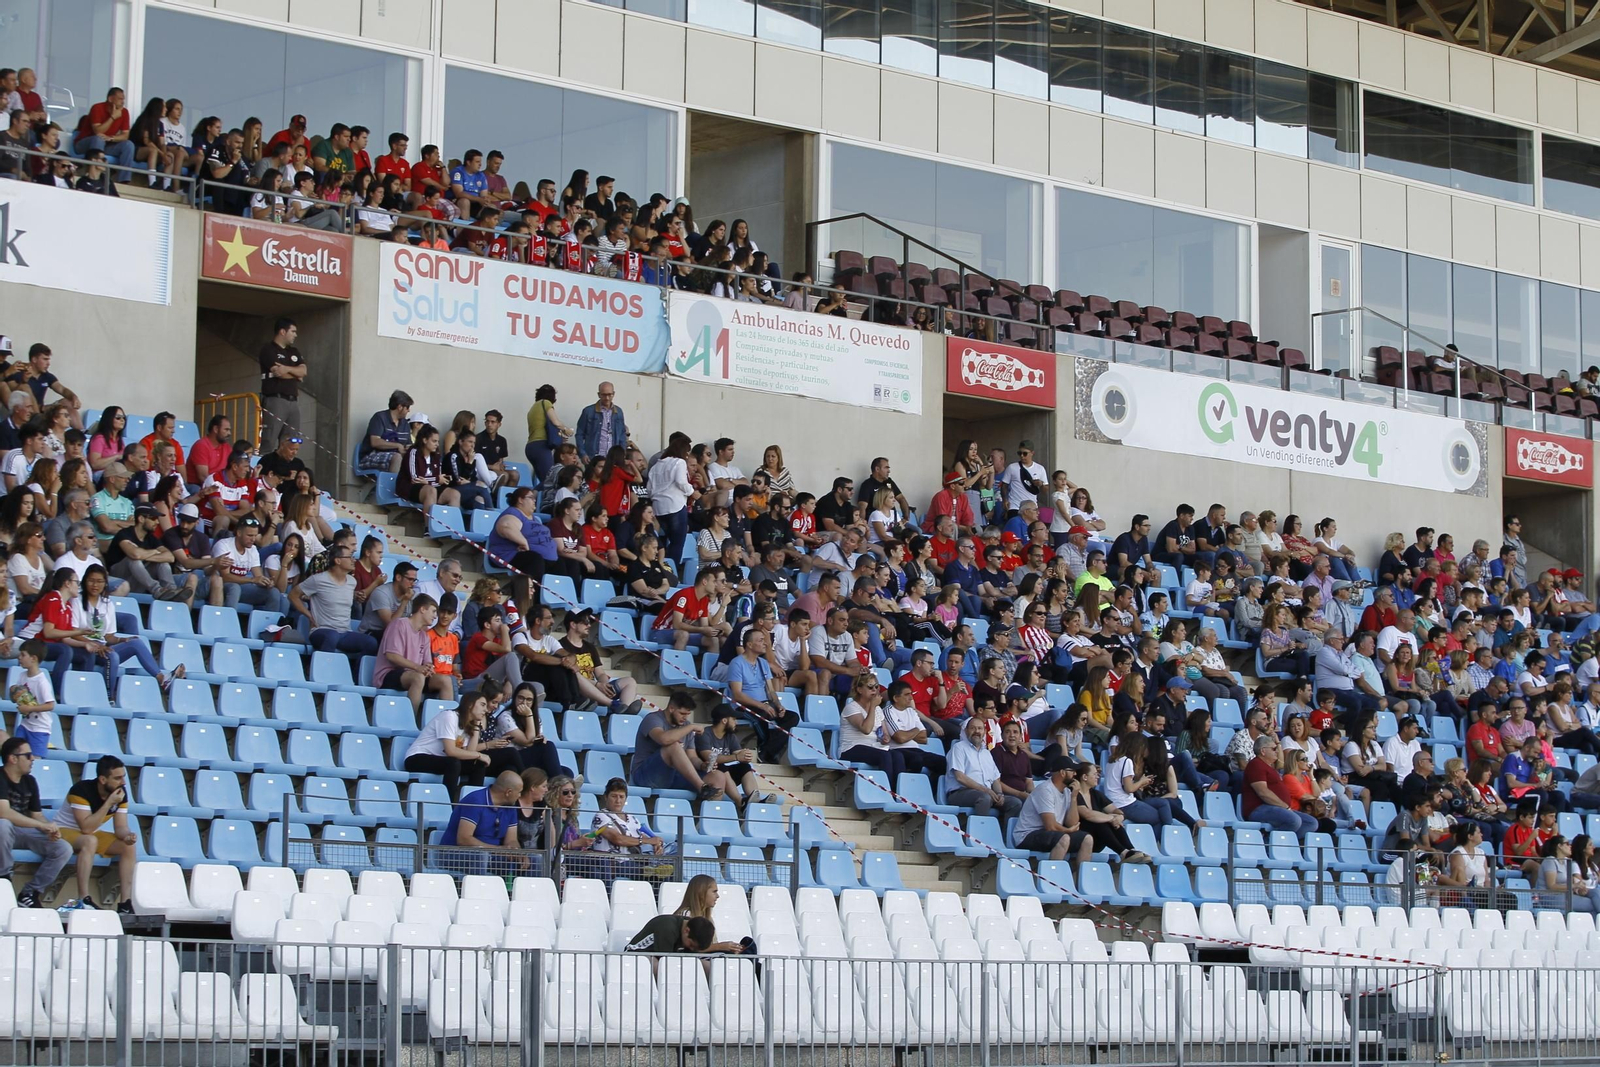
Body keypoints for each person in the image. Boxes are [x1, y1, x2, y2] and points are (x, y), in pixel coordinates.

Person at [54, 754, 138, 912]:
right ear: (103, 779)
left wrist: (127, 836)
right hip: (64, 831)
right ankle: (84, 899)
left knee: (128, 847)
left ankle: (125, 903)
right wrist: (108, 803)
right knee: (90, 840)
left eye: (123, 777)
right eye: (118, 778)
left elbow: (120, 826)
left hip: (91, 832)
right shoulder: (81, 790)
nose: (123, 782)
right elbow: (86, 827)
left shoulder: (121, 793)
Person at [0, 736, 71, 908]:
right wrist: (40, 825)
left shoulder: (30, 781)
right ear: (13, 758)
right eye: (28, 755)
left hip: (22, 831)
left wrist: (50, 828)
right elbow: (4, 812)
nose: (33, 759)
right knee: (3, 824)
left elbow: (37, 815)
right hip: (3, 830)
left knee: (63, 848)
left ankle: (30, 892)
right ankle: (4, 878)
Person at [632, 692, 731, 801]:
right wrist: (691, 727)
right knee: (673, 746)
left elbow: (692, 757)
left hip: (675, 776)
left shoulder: (686, 726)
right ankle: (702, 787)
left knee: (718, 776)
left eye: (688, 714)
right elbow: (664, 739)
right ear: (671, 708)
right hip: (646, 775)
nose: (685, 718)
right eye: (682, 713)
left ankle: (711, 816)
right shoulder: (653, 719)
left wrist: (702, 765)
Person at [403, 691, 490, 802]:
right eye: (483, 705)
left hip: (440, 760)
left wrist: (477, 727)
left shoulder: (468, 724)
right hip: (417, 758)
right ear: (470, 704)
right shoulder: (449, 716)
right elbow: (451, 751)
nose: (486, 710)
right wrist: (479, 755)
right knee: (453, 762)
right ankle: (448, 805)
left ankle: (473, 805)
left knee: (478, 764)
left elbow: (470, 752)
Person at [377, 594, 454, 715]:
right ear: (422, 609)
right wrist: (418, 667)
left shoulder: (424, 635)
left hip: (414, 674)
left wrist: (429, 668)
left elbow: (427, 662)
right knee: (418, 677)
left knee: (445, 680)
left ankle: (447, 722)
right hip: (389, 674)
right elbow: (391, 655)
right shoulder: (399, 624)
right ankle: (410, 722)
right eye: (434, 611)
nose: (435, 616)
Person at [440, 771, 527, 877]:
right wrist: (496, 850)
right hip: (456, 853)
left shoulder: (511, 807)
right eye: (519, 792)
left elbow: (511, 840)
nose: (520, 796)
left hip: (493, 855)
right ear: (508, 792)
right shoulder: (475, 801)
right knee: (481, 856)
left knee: (535, 859)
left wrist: (517, 852)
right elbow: (463, 839)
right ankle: (480, 892)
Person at [1014, 757, 1095, 863]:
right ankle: (1052, 877)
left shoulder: (1067, 792)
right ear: (1062, 772)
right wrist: (1068, 831)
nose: (1075, 774)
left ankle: (1081, 878)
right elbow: (1050, 826)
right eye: (1072, 771)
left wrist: (1074, 797)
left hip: (1051, 834)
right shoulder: (1045, 790)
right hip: (1027, 835)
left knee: (1087, 839)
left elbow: (1072, 823)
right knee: (1064, 839)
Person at [945, 715, 1023, 821]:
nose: (977, 731)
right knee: (984, 798)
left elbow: (995, 779)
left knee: (1015, 803)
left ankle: (1003, 836)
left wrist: (999, 794)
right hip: (960, 793)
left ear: (984, 732)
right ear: (966, 731)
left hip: (985, 793)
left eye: (980, 728)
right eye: (973, 728)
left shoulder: (986, 753)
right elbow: (960, 777)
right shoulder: (959, 748)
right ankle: (980, 834)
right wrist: (986, 790)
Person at [1243, 735, 1319, 835]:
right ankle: (1268, 843)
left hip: (1276, 808)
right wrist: (1285, 807)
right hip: (1259, 808)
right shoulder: (1256, 765)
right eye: (1274, 749)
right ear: (1263, 751)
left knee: (1311, 823)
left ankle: (1286, 844)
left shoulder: (1269, 767)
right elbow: (1263, 792)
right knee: (1294, 820)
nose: (1277, 751)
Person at [258, 317, 306, 441]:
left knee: (292, 441)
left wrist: (287, 369)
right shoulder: (268, 349)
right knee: (270, 439)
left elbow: (304, 371)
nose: (295, 335)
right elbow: (279, 373)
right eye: (293, 331)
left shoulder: (294, 351)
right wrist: (296, 375)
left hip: (293, 400)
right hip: (275, 399)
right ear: (282, 332)